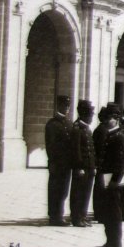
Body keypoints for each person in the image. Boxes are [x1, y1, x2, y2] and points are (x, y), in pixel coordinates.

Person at [95, 104, 124, 247]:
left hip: (113, 180)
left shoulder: (119, 136)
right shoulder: (111, 134)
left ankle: (114, 242)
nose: (106, 121)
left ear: (116, 119)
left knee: (113, 212)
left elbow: (121, 162)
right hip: (106, 177)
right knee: (108, 211)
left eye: (109, 118)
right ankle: (110, 241)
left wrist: (115, 181)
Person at [45, 95, 72, 226]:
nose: (66, 108)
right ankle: (54, 216)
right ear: (58, 106)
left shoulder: (68, 123)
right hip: (57, 163)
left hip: (66, 163)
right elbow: (50, 146)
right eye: (64, 106)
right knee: (55, 190)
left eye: (68, 106)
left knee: (64, 190)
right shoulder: (52, 124)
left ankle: (59, 214)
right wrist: (52, 162)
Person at [70, 99, 96, 227]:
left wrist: (93, 165)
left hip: (89, 167)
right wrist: (79, 167)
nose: (92, 117)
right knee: (78, 193)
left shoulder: (85, 128)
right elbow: (76, 150)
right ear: (85, 114)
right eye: (91, 115)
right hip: (81, 167)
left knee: (86, 193)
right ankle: (76, 217)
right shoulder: (77, 128)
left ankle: (83, 216)